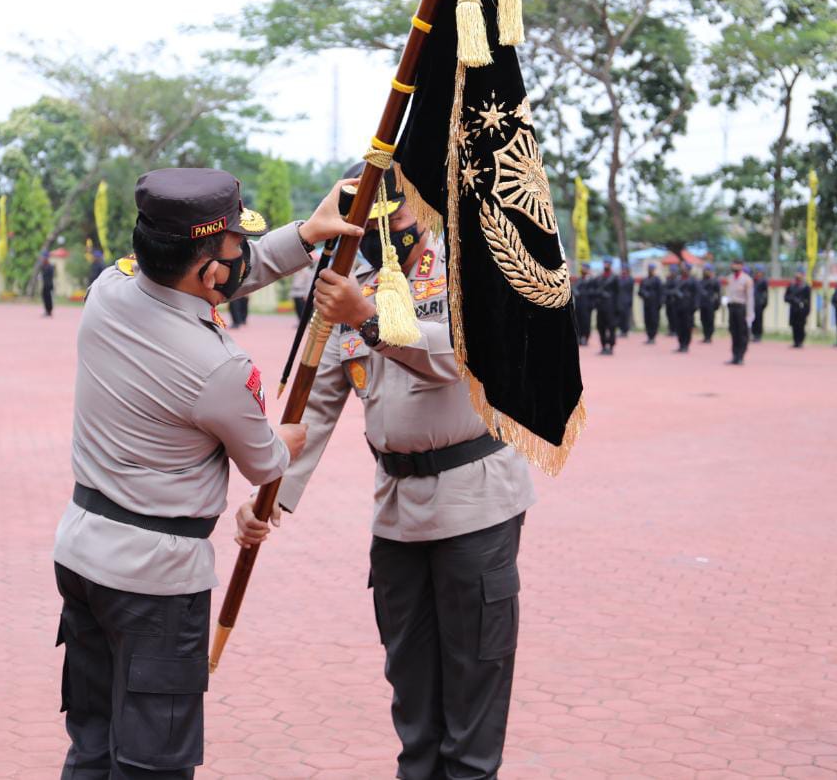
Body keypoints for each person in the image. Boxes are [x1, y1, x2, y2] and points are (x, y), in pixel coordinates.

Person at [51, 167, 360, 779]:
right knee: (152, 763)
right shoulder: (218, 365)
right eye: (234, 248)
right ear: (209, 270)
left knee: (93, 747)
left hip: (83, 555)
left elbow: (210, 284)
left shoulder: (109, 290)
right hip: (155, 584)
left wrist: (305, 236)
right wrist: (286, 440)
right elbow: (265, 464)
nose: (242, 256)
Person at [278, 170, 535, 780]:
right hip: (396, 507)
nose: (376, 228)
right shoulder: (349, 282)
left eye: (389, 213)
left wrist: (368, 317)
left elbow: (457, 358)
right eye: (364, 216)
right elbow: (315, 402)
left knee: (473, 680)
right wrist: (270, 498)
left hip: (474, 501)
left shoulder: (467, 265)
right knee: (411, 686)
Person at [723, 259, 754, 365]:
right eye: (733, 264)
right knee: (733, 332)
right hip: (732, 307)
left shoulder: (747, 279)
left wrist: (750, 314)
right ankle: (734, 355)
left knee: (742, 333)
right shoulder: (730, 278)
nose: (734, 266)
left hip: (742, 307)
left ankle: (741, 356)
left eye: (736, 265)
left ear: (741, 266)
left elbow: (750, 298)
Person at [672, 263, 699, 353]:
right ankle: (680, 344)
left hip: (688, 307)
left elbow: (696, 294)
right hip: (678, 306)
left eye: (685, 268)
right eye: (682, 268)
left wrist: (695, 306)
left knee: (687, 326)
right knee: (679, 326)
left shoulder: (693, 280)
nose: (683, 270)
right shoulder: (678, 279)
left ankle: (686, 345)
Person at [596, 260, 618, 355]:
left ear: (610, 265)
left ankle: (611, 347)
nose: (606, 265)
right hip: (601, 307)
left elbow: (618, 293)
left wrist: (617, 307)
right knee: (601, 327)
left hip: (611, 307)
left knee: (611, 328)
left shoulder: (614, 278)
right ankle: (603, 346)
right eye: (604, 263)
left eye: (607, 263)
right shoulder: (600, 277)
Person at [784, 271, 812, 348]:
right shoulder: (791, 286)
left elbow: (808, 300)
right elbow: (786, 298)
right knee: (794, 326)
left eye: (800, 275)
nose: (798, 276)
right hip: (793, 309)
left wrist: (807, 310)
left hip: (802, 310)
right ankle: (795, 341)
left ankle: (800, 341)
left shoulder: (806, 287)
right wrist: (793, 300)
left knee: (801, 326)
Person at [639, 263, 663, 344]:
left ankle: (653, 336)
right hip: (647, 303)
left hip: (654, 304)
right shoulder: (645, 280)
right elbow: (640, 291)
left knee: (654, 320)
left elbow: (661, 292)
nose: (650, 270)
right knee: (647, 320)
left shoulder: (657, 280)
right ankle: (649, 336)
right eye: (649, 269)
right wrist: (644, 293)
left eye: (652, 269)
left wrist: (660, 303)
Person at [571, 265, 595, 346]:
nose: (583, 269)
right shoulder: (579, 279)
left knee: (586, 322)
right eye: (582, 268)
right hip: (579, 304)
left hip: (587, 305)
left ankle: (585, 337)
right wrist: (575, 291)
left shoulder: (591, 280)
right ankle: (579, 337)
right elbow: (573, 288)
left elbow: (593, 291)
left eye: (585, 268)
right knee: (578, 321)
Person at [698, 266, 720, 343]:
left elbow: (718, 293)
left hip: (710, 304)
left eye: (708, 270)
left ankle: (709, 336)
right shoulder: (701, 281)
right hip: (703, 303)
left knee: (710, 320)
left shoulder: (714, 281)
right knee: (703, 319)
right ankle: (705, 335)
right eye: (705, 270)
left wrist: (717, 303)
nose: (706, 272)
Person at [290, 257, 314, 321]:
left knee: (302, 309)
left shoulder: (308, 272)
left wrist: (307, 294)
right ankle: (299, 321)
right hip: (295, 292)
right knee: (297, 309)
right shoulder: (296, 271)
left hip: (302, 292)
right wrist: (292, 294)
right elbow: (293, 283)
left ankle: (305, 321)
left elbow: (308, 284)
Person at [616, 264, 634, 338]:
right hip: (619, 300)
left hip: (626, 300)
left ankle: (625, 330)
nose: (623, 271)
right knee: (620, 316)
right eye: (622, 269)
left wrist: (630, 301)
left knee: (626, 316)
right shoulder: (619, 279)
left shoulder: (630, 279)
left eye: (625, 269)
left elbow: (631, 291)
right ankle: (621, 330)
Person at [752, 266, 769, 342]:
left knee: (759, 319)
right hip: (753, 302)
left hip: (759, 303)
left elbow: (766, 293)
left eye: (759, 272)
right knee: (753, 319)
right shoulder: (753, 280)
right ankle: (753, 333)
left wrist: (764, 302)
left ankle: (758, 335)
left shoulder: (763, 281)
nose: (758, 273)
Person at [664, 265, 680, 337]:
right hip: (668, 301)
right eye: (671, 271)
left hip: (675, 301)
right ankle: (671, 330)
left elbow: (676, 290)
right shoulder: (668, 279)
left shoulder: (678, 280)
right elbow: (664, 289)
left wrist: (670, 292)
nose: (672, 273)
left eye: (673, 271)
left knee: (675, 317)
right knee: (669, 315)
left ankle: (676, 330)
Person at [40, 252, 56, 317]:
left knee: (49, 298)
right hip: (45, 285)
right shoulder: (43, 266)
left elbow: (51, 276)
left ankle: (49, 311)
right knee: (44, 297)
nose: (43, 259)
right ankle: (47, 310)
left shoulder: (50, 266)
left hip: (49, 285)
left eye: (44, 257)